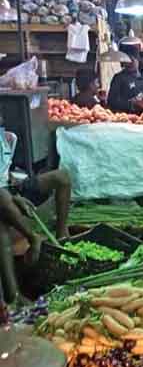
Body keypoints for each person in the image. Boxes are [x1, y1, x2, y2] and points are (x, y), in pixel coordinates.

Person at [0, 115, 71, 305]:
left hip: (12, 190)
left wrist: (16, 188)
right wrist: (11, 196)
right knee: (2, 213)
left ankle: (62, 237)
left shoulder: (4, 137)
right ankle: (13, 294)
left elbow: (6, 172)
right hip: (3, 197)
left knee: (62, 177)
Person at [107, 45, 143, 114]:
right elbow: (111, 101)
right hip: (125, 119)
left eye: (132, 60)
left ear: (137, 60)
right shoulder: (119, 78)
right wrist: (132, 104)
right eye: (126, 61)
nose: (128, 63)